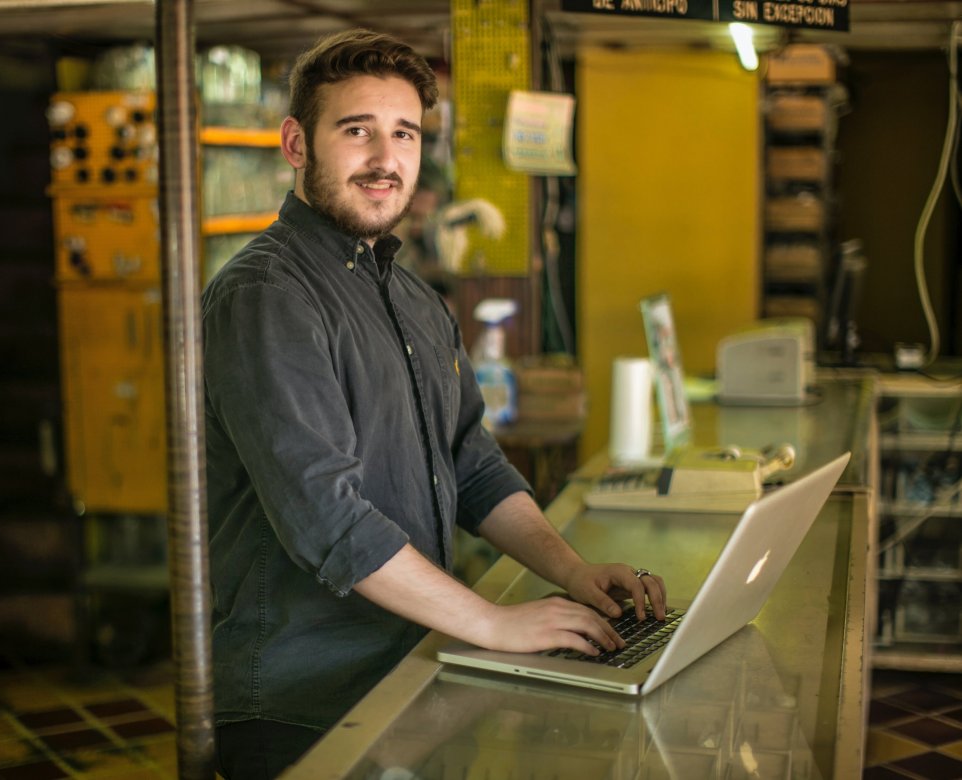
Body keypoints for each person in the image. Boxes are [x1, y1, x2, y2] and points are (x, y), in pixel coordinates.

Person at [201, 28, 667, 780]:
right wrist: (492, 622)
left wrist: (572, 572)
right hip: (300, 699)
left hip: (408, 661)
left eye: (405, 133)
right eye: (357, 131)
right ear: (295, 142)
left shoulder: (413, 296)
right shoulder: (266, 297)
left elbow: (473, 466)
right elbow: (326, 518)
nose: (386, 159)